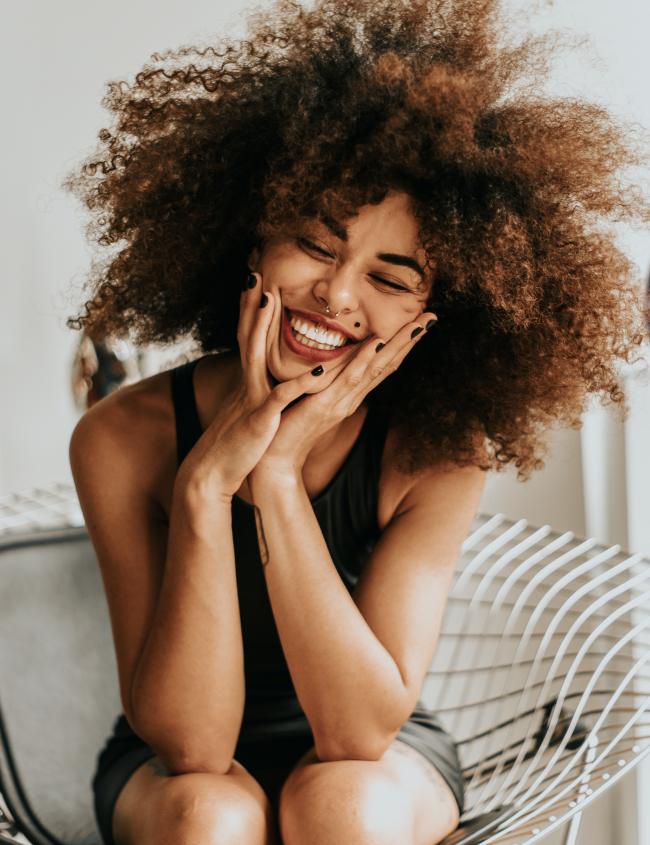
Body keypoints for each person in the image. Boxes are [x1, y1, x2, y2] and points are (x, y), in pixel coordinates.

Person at [64, 0, 650, 842]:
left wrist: (272, 476)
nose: (337, 297)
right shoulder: (122, 438)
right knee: (208, 813)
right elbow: (192, 744)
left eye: (391, 275)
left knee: (340, 801)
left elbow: (358, 734)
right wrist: (203, 487)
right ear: (253, 237)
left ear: (433, 314)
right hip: (170, 770)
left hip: (380, 759)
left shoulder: (435, 456)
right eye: (317, 243)